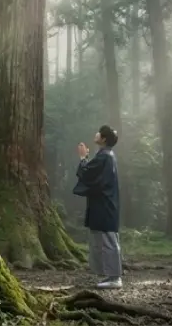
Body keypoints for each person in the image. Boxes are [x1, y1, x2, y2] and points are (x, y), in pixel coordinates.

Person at [73, 124, 122, 289]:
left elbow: (87, 173)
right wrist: (86, 159)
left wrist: (82, 158)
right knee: (102, 237)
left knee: (108, 238)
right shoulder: (105, 155)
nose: (96, 134)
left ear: (104, 139)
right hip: (103, 203)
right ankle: (109, 275)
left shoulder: (105, 157)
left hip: (105, 204)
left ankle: (115, 277)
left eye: (99, 133)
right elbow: (91, 173)